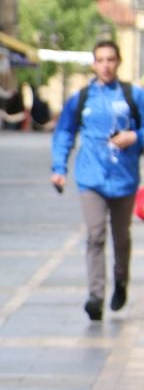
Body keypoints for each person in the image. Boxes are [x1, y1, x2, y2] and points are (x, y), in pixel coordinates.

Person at [50, 39, 142, 321]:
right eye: (100, 59)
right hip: (91, 178)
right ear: (93, 64)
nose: (105, 65)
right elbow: (64, 132)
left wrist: (135, 137)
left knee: (121, 237)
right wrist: (59, 167)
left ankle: (121, 280)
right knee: (95, 235)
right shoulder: (81, 99)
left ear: (118, 62)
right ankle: (96, 295)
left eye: (110, 59)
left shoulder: (133, 96)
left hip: (124, 179)